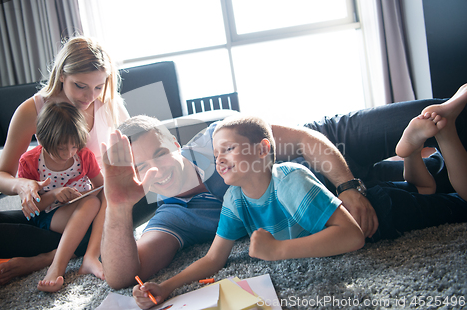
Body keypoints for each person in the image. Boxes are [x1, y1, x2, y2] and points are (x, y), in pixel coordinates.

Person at [133, 88, 467, 307]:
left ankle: (440, 136)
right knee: (429, 185)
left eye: (228, 151)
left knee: (457, 198)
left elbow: (352, 235)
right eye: (217, 154)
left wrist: (279, 250)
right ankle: (411, 155)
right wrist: (166, 286)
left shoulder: (290, 178)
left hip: (365, 194)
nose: (218, 159)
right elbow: (212, 259)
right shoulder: (234, 197)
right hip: (352, 196)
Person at [100, 112, 377, 290]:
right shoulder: (170, 217)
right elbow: (122, 277)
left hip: (333, 148)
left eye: (160, 153)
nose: (156, 170)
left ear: (174, 143)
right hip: (329, 213)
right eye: (141, 166)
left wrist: (348, 185)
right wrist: (118, 208)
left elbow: (305, 139)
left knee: (418, 114)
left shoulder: (215, 140)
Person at [0, 35, 129, 285]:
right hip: (53, 209)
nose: (89, 97)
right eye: (80, 85)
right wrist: (22, 185)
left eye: (98, 87)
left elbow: (132, 159)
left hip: (104, 206)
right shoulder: (32, 109)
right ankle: (78, 247)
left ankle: (49, 257)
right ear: (62, 74)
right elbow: (0, 176)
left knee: (127, 203)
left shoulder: (110, 105)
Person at [19, 102, 104, 292]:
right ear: (41, 138)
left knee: (98, 202)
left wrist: (83, 195)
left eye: (74, 146)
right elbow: (31, 210)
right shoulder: (30, 162)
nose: (68, 154)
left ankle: (58, 256)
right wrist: (54, 194)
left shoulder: (83, 156)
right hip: (50, 215)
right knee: (91, 205)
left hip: (83, 210)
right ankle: (57, 267)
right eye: (61, 148)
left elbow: (101, 186)